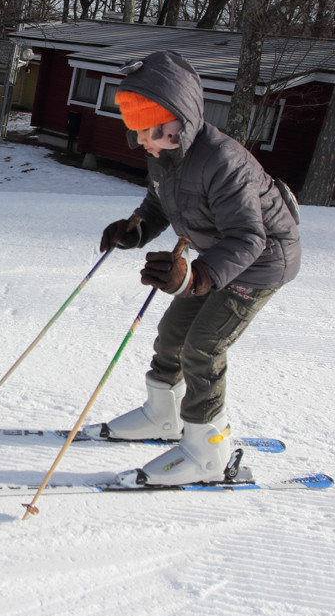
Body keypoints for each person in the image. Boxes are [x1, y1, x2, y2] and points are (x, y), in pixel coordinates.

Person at [85, 50, 301, 487]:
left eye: (147, 132)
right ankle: (163, 416)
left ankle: (208, 454)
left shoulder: (224, 162)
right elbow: (161, 203)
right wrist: (134, 230)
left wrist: (194, 277)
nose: (140, 142)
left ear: (177, 122)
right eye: (135, 132)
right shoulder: (165, 155)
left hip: (260, 264)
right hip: (216, 259)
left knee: (202, 348)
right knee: (172, 335)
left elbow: (248, 238)